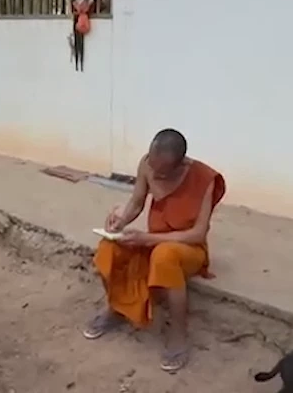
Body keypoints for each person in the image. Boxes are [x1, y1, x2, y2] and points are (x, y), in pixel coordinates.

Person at [83, 128, 226, 373]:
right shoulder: (147, 164)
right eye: (152, 167)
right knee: (110, 247)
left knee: (164, 255)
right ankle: (115, 309)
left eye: (161, 173)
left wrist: (148, 239)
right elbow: (137, 202)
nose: (155, 176)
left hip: (187, 248)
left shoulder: (204, 178)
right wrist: (121, 222)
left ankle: (178, 335)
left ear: (181, 165)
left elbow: (197, 234)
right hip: (154, 240)